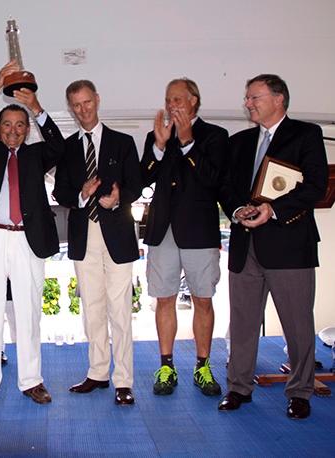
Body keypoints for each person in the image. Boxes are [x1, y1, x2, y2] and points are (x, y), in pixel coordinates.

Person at [217, 74, 327, 419]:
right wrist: (237, 209)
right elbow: (227, 186)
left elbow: (315, 186)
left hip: (290, 246)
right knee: (243, 322)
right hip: (245, 244)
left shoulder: (306, 135)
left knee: (297, 324)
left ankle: (300, 392)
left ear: (279, 99)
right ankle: (238, 388)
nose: (248, 103)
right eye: (247, 98)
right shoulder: (240, 142)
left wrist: (272, 210)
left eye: (254, 97)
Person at [0, 61, 64, 410]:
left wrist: (37, 108)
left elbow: (60, 147)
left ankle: (31, 381)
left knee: (29, 313)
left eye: (20, 125)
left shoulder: (37, 155)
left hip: (28, 239)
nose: (12, 130)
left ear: (26, 129)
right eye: (7, 124)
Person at [53, 80, 142, 406]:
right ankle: (98, 372)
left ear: (97, 100)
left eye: (87, 102)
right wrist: (82, 194)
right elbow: (60, 191)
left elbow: (136, 183)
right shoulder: (68, 147)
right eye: (75, 105)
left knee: (119, 310)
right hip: (82, 236)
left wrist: (119, 199)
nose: (82, 110)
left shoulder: (123, 142)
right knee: (92, 308)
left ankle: (124, 380)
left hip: (117, 234)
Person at [139, 78, 228, 397]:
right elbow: (140, 178)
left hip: (200, 231)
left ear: (194, 101)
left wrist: (188, 140)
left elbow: (213, 179)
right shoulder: (157, 135)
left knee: (203, 299)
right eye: (167, 99)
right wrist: (160, 147)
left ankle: (203, 366)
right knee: (164, 298)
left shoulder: (216, 136)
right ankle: (166, 365)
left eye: (177, 98)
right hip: (162, 229)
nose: (171, 104)